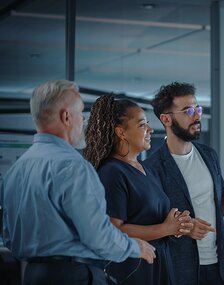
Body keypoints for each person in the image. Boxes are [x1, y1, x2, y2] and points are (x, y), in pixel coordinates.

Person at [0, 80, 156, 285]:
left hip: (32, 275)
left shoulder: (15, 172)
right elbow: (98, 236)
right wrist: (136, 247)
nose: (83, 121)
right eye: (81, 112)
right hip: (75, 275)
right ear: (66, 117)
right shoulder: (73, 167)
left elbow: (9, 237)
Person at [144, 82, 224, 285]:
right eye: (188, 111)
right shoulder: (152, 168)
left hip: (218, 267)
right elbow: (152, 224)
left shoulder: (209, 156)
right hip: (179, 270)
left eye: (197, 109)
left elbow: (219, 201)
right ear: (166, 119)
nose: (197, 116)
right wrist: (185, 228)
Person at [83, 95, 194, 285]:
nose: (150, 129)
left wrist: (179, 225)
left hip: (159, 265)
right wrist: (164, 228)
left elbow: (152, 218)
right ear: (121, 132)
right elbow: (113, 229)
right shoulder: (111, 172)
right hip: (132, 270)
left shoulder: (146, 169)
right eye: (142, 125)